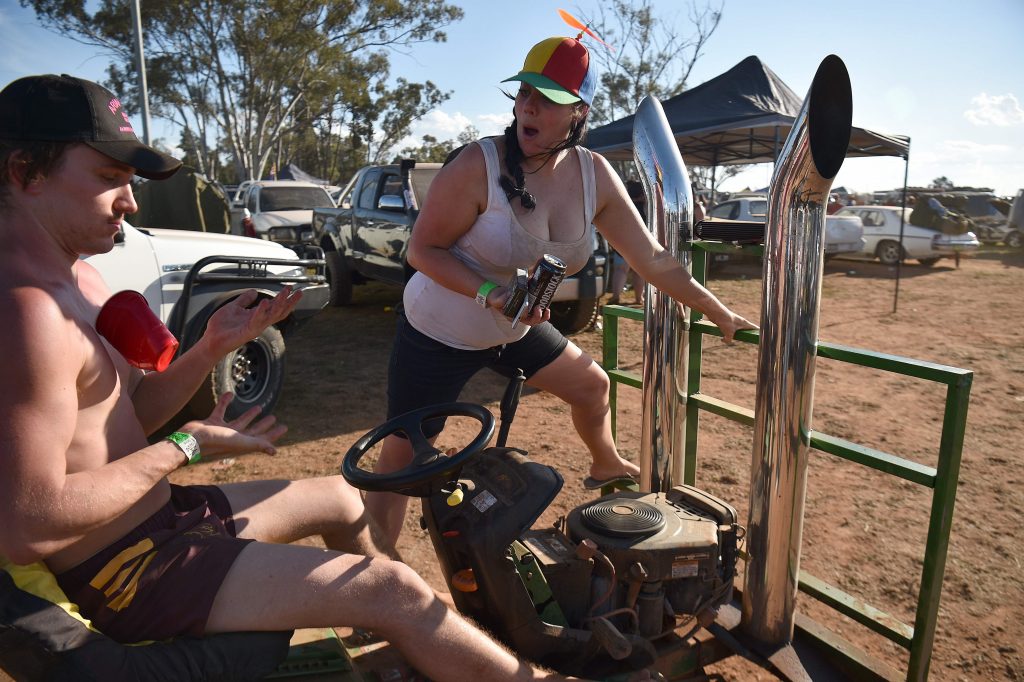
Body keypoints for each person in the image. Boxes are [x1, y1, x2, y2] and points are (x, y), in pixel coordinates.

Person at [0, 73, 588, 682]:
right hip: (127, 572)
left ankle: (400, 637)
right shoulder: (25, 314)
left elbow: (122, 420)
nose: (130, 202)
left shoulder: (79, 280)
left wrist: (209, 349)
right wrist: (187, 446)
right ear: (26, 171)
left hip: (162, 519)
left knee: (340, 499)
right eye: (108, 179)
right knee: (388, 587)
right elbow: (28, 524)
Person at [366, 36, 757, 544]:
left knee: (592, 386)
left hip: (511, 324)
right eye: (525, 92)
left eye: (548, 98)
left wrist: (716, 308)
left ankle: (604, 461)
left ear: (579, 111)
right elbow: (422, 252)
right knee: (406, 449)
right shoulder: (476, 165)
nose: (529, 106)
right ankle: (374, 560)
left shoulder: (594, 175)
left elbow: (653, 258)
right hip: (440, 329)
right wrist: (491, 292)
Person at [608, 179, 647, 306]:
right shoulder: (646, 207)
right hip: (639, 243)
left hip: (621, 241)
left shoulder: (621, 203)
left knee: (621, 270)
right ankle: (638, 298)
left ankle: (616, 296)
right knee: (638, 272)